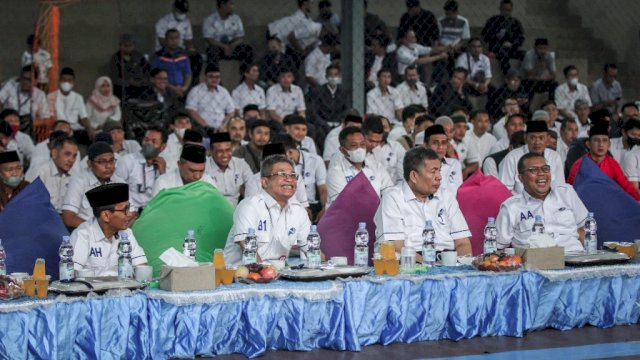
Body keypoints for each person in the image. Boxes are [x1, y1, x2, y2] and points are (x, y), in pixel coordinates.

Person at [374, 147, 472, 257]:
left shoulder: (446, 197)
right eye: (433, 172)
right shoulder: (393, 198)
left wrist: (460, 266)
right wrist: (430, 266)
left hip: (448, 261)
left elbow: (463, 243)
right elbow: (396, 246)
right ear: (414, 176)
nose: (439, 177)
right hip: (411, 265)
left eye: (439, 171)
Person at [223, 154, 312, 265]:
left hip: (277, 275)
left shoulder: (298, 211)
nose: (289, 179)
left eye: (293, 175)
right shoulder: (250, 206)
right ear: (265, 182)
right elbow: (250, 256)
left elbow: (313, 251)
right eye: (282, 174)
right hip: (240, 276)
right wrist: (267, 274)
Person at [496, 152, 588, 253]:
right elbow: (499, 247)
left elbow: (583, 227)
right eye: (534, 170)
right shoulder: (511, 207)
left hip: (574, 258)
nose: (541, 173)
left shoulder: (566, 193)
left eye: (545, 169)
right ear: (521, 178)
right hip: (534, 264)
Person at [70, 183, 148, 277]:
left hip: (122, 290)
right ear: (106, 216)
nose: (130, 214)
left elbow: (141, 266)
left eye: (129, 208)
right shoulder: (82, 235)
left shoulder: (127, 233)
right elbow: (71, 274)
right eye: (125, 210)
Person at [61, 142, 126, 229]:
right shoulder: (79, 181)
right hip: (86, 233)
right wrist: (98, 230)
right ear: (90, 164)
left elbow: (131, 213)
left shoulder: (119, 182)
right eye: (102, 162)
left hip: (113, 233)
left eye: (111, 160)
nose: (108, 166)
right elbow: (68, 218)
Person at [567, 124, 640, 200]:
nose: (601, 144)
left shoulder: (612, 163)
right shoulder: (579, 165)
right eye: (596, 140)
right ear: (588, 144)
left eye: (604, 140)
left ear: (609, 145)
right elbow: (571, 191)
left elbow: (625, 186)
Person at [326, 127, 393, 205]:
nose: (359, 149)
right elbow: (343, 205)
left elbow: (389, 192)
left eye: (362, 144)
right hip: (346, 215)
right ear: (343, 150)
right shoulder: (335, 172)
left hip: (376, 214)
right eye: (354, 145)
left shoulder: (376, 167)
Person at [499, 120, 565, 194]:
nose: (537, 142)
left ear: (547, 138)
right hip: (520, 204)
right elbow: (504, 190)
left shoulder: (554, 157)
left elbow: (560, 188)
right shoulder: (512, 157)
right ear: (526, 138)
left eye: (541, 138)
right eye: (533, 138)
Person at [116, 127, 168, 213]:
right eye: (146, 140)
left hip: (153, 213)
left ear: (163, 147)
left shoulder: (165, 165)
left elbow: (166, 196)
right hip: (128, 212)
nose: (148, 143)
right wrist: (131, 212)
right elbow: (117, 191)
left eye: (153, 141)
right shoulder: (127, 161)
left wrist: (163, 173)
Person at [243, 142, 310, 209]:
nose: (279, 164)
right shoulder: (253, 181)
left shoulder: (296, 177)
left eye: (282, 160)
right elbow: (253, 209)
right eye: (273, 161)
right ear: (262, 163)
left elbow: (304, 207)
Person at [25, 134, 78, 212]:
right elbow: (28, 203)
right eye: (67, 154)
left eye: (74, 156)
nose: (71, 160)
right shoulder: (40, 171)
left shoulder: (74, 175)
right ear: (54, 153)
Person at [155, 0, 201, 86]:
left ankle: (192, 85)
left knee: (197, 58)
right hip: (164, 50)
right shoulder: (163, 22)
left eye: (184, 12)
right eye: (180, 11)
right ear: (174, 8)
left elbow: (189, 40)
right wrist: (175, 50)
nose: (182, 14)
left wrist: (190, 49)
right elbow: (162, 41)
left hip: (181, 50)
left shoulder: (186, 22)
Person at [281, 134, 327, 219]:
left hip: (312, 204)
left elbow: (323, 189)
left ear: (289, 152)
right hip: (291, 204)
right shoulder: (280, 164)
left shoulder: (316, 160)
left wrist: (325, 208)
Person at [203, 0, 254, 70]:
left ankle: (245, 75)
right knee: (211, 52)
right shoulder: (209, 20)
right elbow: (209, 39)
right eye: (230, 4)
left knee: (248, 50)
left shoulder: (236, 18)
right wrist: (224, 47)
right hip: (218, 46)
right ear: (222, 5)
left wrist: (232, 45)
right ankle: (214, 77)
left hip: (233, 46)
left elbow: (240, 37)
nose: (233, 7)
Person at [206, 132, 252, 207]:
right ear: (211, 151)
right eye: (220, 151)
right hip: (210, 209)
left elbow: (252, 186)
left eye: (228, 150)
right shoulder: (204, 167)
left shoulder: (240, 164)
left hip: (236, 211)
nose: (225, 155)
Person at [0, 65, 51, 133]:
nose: (25, 82)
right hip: (6, 125)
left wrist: (31, 122)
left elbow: (46, 119)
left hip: (27, 128)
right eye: (23, 78)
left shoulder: (40, 95)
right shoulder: (10, 86)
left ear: (36, 81)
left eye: (29, 80)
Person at [308, 64, 349, 145]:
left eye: (336, 75)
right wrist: (324, 124)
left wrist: (341, 122)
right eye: (330, 75)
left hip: (339, 122)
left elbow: (346, 109)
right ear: (326, 76)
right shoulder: (318, 91)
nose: (333, 78)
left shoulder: (344, 91)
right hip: (323, 124)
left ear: (340, 76)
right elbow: (314, 112)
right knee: (321, 133)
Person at [185, 64, 235, 131]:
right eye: (211, 77)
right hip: (202, 129)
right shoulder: (195, 91)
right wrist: (207, 127)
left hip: (222, 129)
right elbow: (191, 110)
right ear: (205, 77)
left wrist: (224, 125)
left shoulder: (224, 92)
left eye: (217, 77)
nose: (214, 79)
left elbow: (231, 111)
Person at [481, 0, 524, 75]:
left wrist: (512, 44)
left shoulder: (515, 22)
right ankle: (509, 75)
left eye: (508, 10)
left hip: (511, 49)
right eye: (504, 10)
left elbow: (520, 38)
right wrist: (495, 35)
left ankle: (522, 76)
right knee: (503, 55)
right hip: (496, 49)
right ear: (500, 9)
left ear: (511, 10)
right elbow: (484, 36)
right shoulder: (493, 20)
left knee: (524, 54)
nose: (506, 12)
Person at [47, 67, 91, 138]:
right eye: (64, 79)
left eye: (69, 80)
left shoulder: (78, 97)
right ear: (59, 80)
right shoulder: (51, 96)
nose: (66, 82)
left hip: (75, 129)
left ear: (73, 82)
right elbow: (50, 118)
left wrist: (90, 129)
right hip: (58, 129)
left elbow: (84, 117)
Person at [423, 124, 462, 197]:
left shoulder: (455, 164)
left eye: (443, 143)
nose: (440, 147)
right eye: (435, 143)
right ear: (426, 145)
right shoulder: (419, 166)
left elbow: (459, 193)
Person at [152, 28, 192, 98]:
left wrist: (184, 87)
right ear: (166, 40)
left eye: (176, 38)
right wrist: (173, 89)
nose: (174, 41)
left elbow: (188, 74)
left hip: (182, 89)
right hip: (165, 89)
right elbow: (157, 77)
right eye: (171, 38)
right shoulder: (159, 55)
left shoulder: (184, 55)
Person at [365, 115, 406, 183]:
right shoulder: (364, 148)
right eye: (379, 127)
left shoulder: (396, 147)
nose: (382, 130)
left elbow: (403, 175)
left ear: (390, 129)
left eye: (385, 127)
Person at [109, 33, 150, 101]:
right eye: (125, 46)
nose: (128, 48)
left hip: (139, 86)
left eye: (130, 45)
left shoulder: (139, 56)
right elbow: (114, 78)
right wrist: (129, 82)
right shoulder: (115, 58)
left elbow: (147, 72)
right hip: (123, 88)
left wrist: (142, 81)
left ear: (134, 45)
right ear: (120, 46)